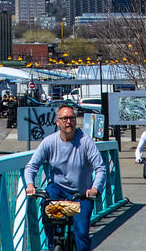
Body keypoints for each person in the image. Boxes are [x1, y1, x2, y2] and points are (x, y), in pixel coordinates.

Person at [23, 106, 106, 251]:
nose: (69, 122)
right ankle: (52, 246)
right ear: (57, 122)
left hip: (81, 193)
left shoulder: (86, 142)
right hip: (58, 190)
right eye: (65, 118)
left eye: (72, 118)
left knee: (81, 234)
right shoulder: (49, 142)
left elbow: (100, 168)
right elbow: (31, 166)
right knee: (48, 211)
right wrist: (30, 184)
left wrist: (94, 188)